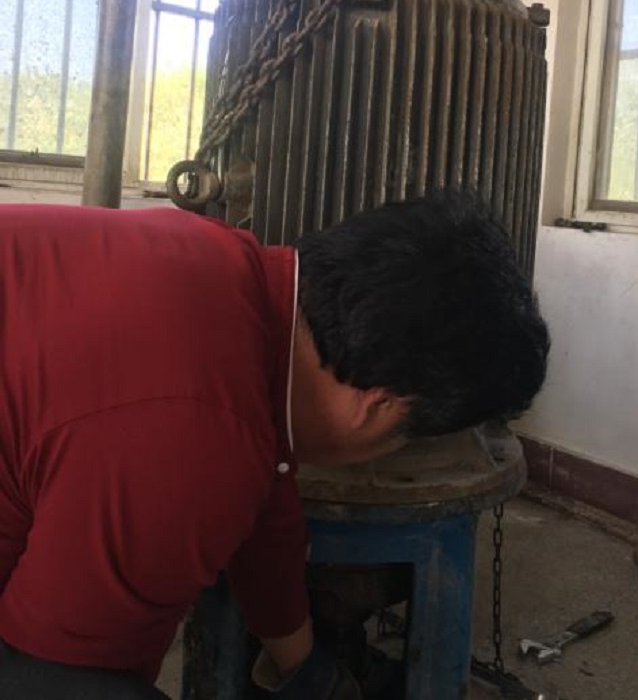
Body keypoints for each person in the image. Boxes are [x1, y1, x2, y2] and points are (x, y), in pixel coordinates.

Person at [0, 189, 549, 699]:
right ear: (380, 407)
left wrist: (303, 666)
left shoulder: (230, 270)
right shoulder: (192, 447)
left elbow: (267, 504)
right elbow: (60, 674)